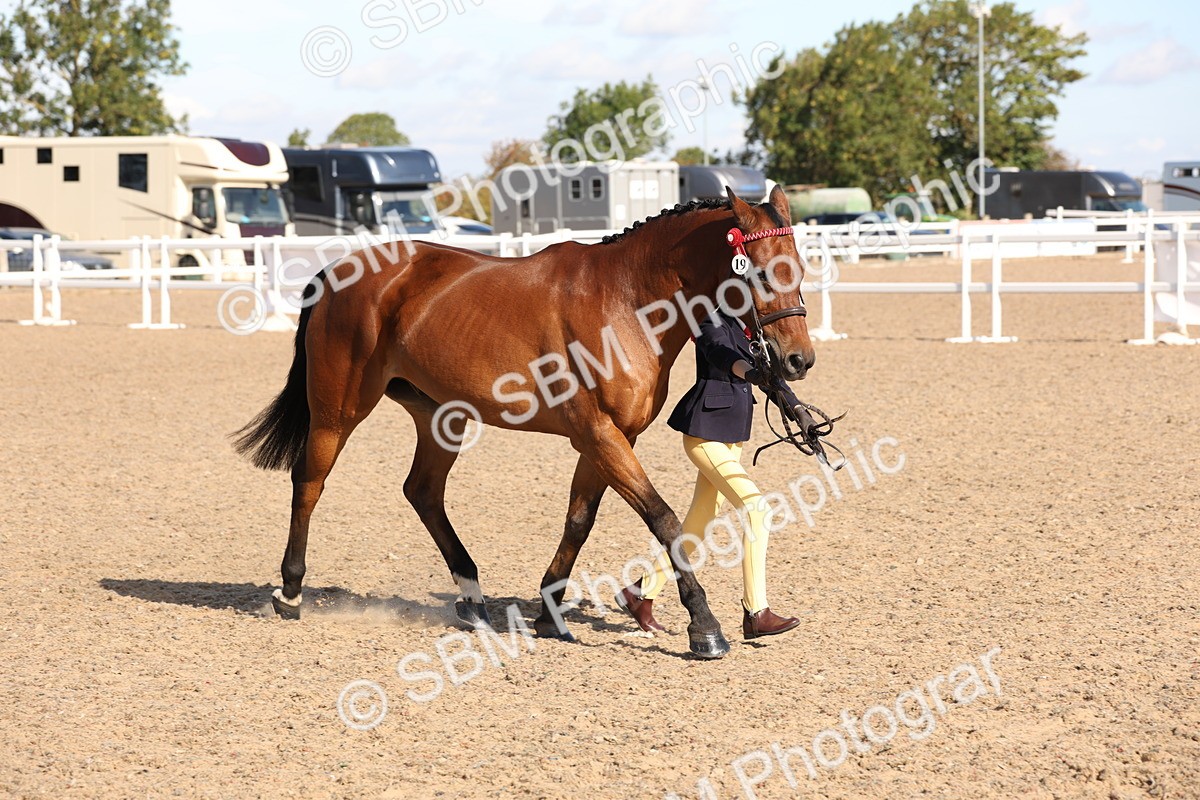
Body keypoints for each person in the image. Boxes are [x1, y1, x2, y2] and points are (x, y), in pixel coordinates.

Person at [618, 306, 803, 640]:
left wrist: (798, 410)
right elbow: (720, 350)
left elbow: (770, 377)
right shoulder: (708, 314)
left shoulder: (753, 327)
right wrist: (749, 373)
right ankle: (756, 611)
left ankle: (641, 591)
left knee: (698, 523)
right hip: (705, 435)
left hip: (733, 438)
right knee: (757, 509)